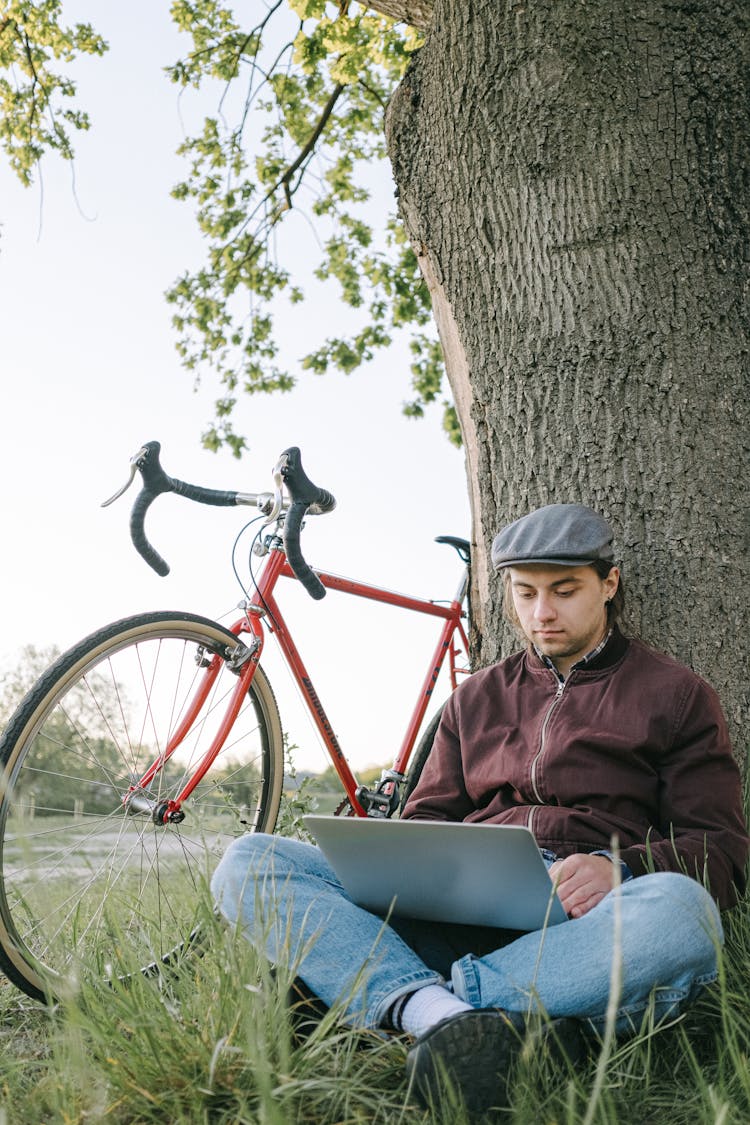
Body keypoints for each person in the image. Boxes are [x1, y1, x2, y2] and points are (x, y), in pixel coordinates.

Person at [211, 503, 749, 1116]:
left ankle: (404, 1003)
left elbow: (722, 850)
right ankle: (465, 1020)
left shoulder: (676, 696)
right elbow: (425, 823)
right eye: (525, 594)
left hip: (589, 925)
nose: (541, 613)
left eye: (565, 591)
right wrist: (431, 868)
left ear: (609, 583)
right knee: (252, 860)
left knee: (686, 915)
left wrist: (617, 868)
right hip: (461, 913)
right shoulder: (474, 699)